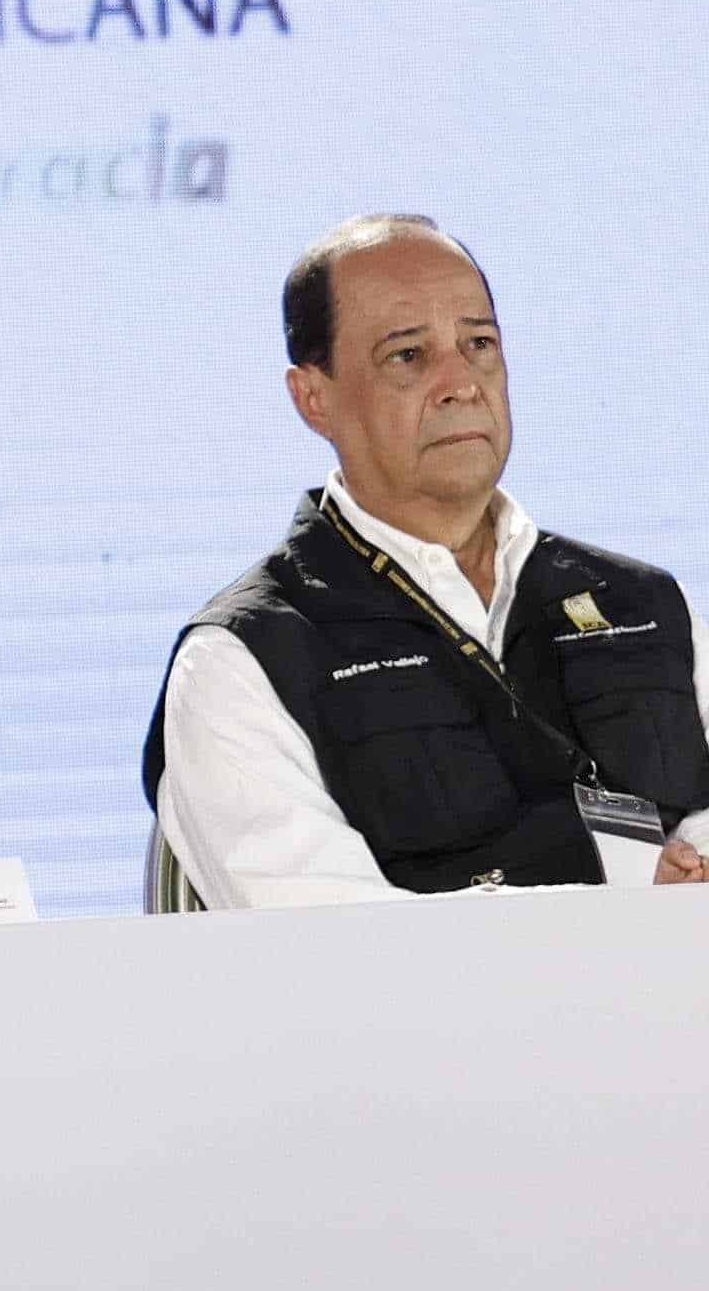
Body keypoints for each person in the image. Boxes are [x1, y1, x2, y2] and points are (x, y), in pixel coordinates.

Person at [144, 213, 709, 906]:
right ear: (313, 397)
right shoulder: (244, 658)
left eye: (479, 344)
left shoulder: (646, 604)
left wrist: (688, 873)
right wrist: (615, 886)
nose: (461, 382)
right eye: (408, 356)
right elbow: (323, 941)